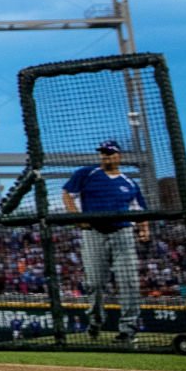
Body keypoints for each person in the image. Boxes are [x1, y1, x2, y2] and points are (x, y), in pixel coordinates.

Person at [62, 138, 148, 342]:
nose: (105, 156)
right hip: (93, 232)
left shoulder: (128, 182)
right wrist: (77, 218)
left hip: (122, 234)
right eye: (103, 153)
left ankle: (128, 329)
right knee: (94, 283)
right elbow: (67, 194)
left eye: (109, 153)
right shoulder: (87, 173)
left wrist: (144, 229)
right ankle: (95, 321)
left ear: (119, 156)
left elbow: (140, 209)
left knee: (128, 282)